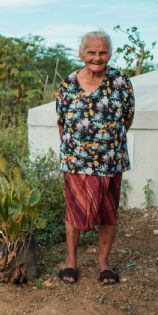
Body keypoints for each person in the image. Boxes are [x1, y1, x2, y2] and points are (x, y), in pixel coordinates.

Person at [55, 30, 135, 285]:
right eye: (91, 52)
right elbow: (62, 123)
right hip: (76, 160)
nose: (97, 57)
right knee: (74, 209)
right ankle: (71, 261)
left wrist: (107, 142)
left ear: (109, 54)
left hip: (110, 160)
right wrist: (78, 149)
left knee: (108, 211)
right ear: (81, 54)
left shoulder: (120, 81)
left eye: (103, 52)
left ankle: (103, 263)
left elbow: (127, 117)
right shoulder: (68, 84)